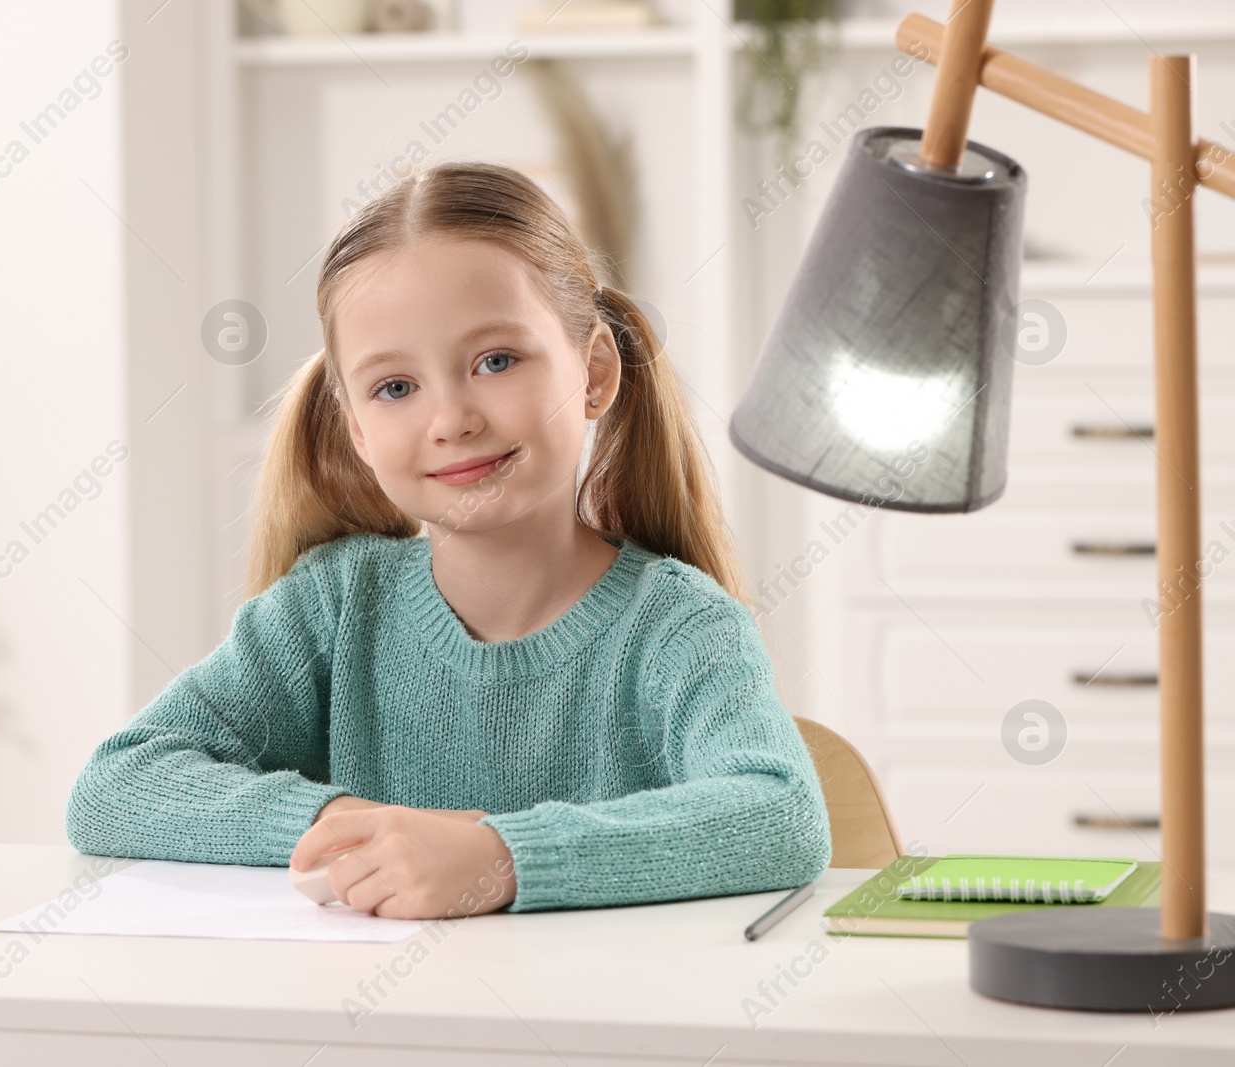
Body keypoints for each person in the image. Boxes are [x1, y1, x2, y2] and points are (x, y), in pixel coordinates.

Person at [65, 159, 831, 920]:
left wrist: (501, 857)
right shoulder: (332, 605)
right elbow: (118, 783)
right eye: (395, 387)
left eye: (496, 361)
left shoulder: (678, 625)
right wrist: (351, 832)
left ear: (594, 370)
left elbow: (781, 814)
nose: (451, 419)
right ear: (357, 428)